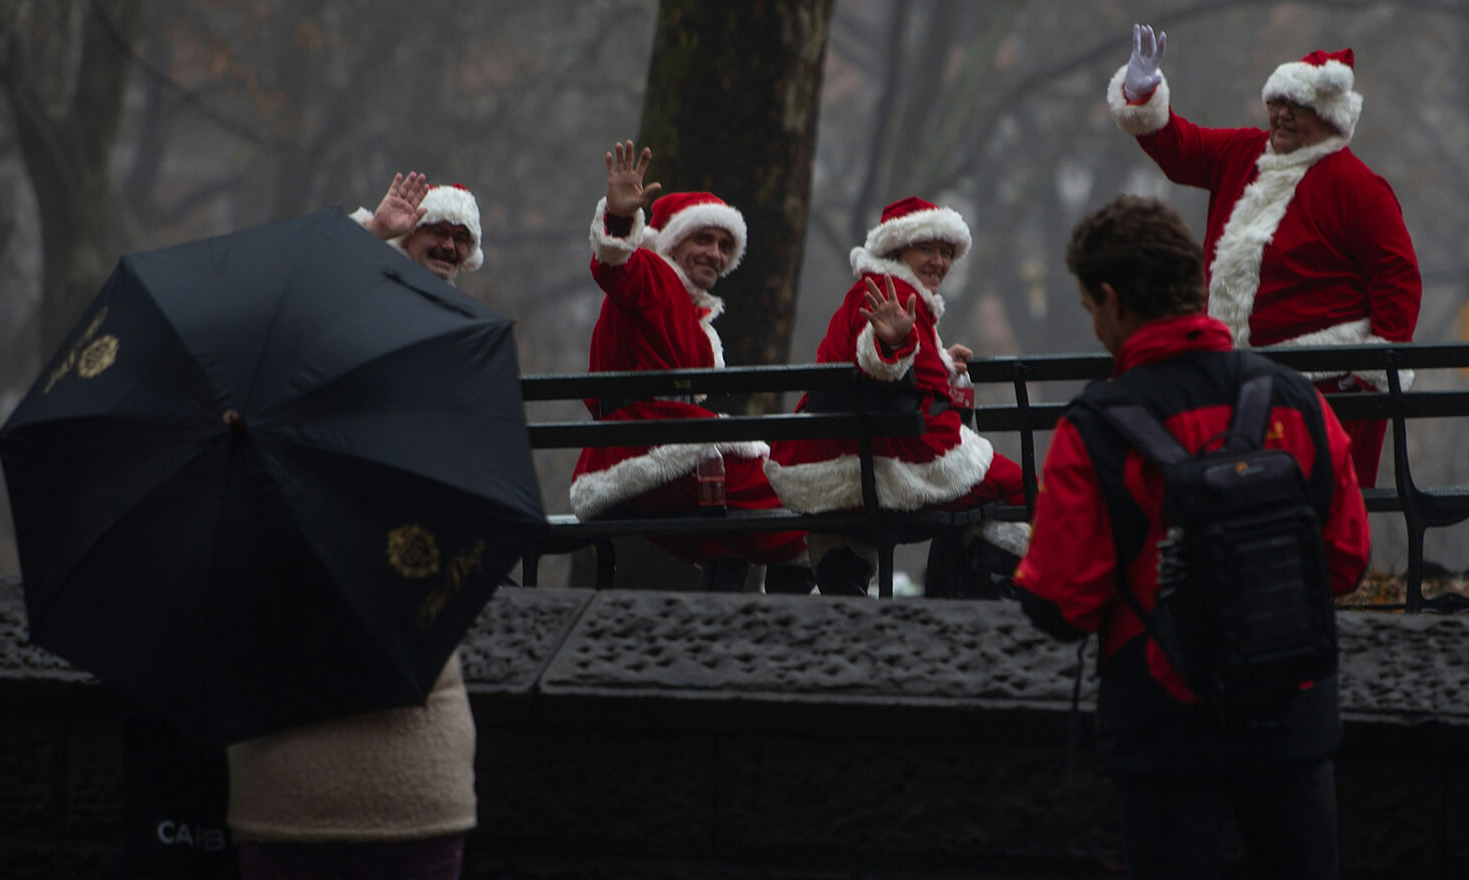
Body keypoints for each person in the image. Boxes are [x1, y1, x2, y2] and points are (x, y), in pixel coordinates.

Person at [1013, 195, 1370, 879]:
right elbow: (1347, 560)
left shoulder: (1094, 427)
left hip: (1164, 730)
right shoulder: (1294, 398)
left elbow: (1063, 605)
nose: (1095, 325)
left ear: (1112, 298)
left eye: (1091, 309)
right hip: (1292, 717)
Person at [223, 172, 488, 877]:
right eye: (441, 232)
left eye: (463, 239)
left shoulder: (255, 528)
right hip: (418, 800)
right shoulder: (420, 509)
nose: (451, 247)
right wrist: (370, 238)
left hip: (282, 801)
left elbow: (275, 320)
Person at [1107, 24, 1421, 487]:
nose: (1282, 116)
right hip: (1232, 381)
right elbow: (1181, 149)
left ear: (1332, 118)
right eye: (1277, 103)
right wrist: (1142, 91)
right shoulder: (1242, 153)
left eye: (1299, 108)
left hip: (1326, 388)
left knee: (1316, 513)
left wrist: (1372, 367)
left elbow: (1398, 277)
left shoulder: (1360, 188)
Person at [571, 140, 811, 593]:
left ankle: (734, 624)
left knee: (755, 523)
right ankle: (802, 628)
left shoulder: (686, 308)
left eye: (724, 246)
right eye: (703, 239)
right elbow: (618, 266)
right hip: (644, 453)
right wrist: (620, 219)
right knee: (798, 498)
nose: (714, 254)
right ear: (670, 242)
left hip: (653, 452)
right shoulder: (654, 276)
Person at [765, 197, 1029, 597]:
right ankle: (993, 592)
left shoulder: (877, 292)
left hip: (842, 458)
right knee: (1025, 486)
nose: (939, 261)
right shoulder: (891, 295)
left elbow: (890, 373)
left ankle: (843, 560)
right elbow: (876, 360)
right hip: (894, 461)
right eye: (927, 248)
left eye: (945, 252)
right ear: (894, 249)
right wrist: (895, 344)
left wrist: (939, 363)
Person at [351, 170, 484, 285]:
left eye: (460, 239)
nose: (449, 246)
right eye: (439, 232)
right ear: (408, 236)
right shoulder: (372, 279)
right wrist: (375, 232)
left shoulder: (455, 309)